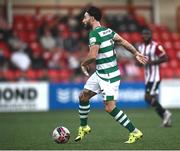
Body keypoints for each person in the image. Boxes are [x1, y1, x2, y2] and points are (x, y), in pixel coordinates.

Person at [74, 6, 148, 144]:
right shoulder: (107, 31)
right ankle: (84, 127)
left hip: (109, 76)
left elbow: (93, 55)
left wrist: (83, 63)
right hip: (101, 72)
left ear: (92, 18)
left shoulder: (94, 34)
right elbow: (122, 41)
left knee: (109, 107)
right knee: (83, 96)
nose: (83, 20)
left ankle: (135, 132)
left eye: (85, 17)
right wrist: (136, 53)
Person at [137, 28, 172, 127]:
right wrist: (139, 63)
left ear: (151, 35)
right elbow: (140, 61)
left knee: (148, 97)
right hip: (148, 77)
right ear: (142, 36)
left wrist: (152, 63)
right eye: (144, 34)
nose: (146, 36)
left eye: (148, 34)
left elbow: (165, 58)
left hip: (155, 76)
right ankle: (166, 118)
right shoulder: (141, 47)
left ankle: (165, 114)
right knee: (151, 99)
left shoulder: (156, 46)